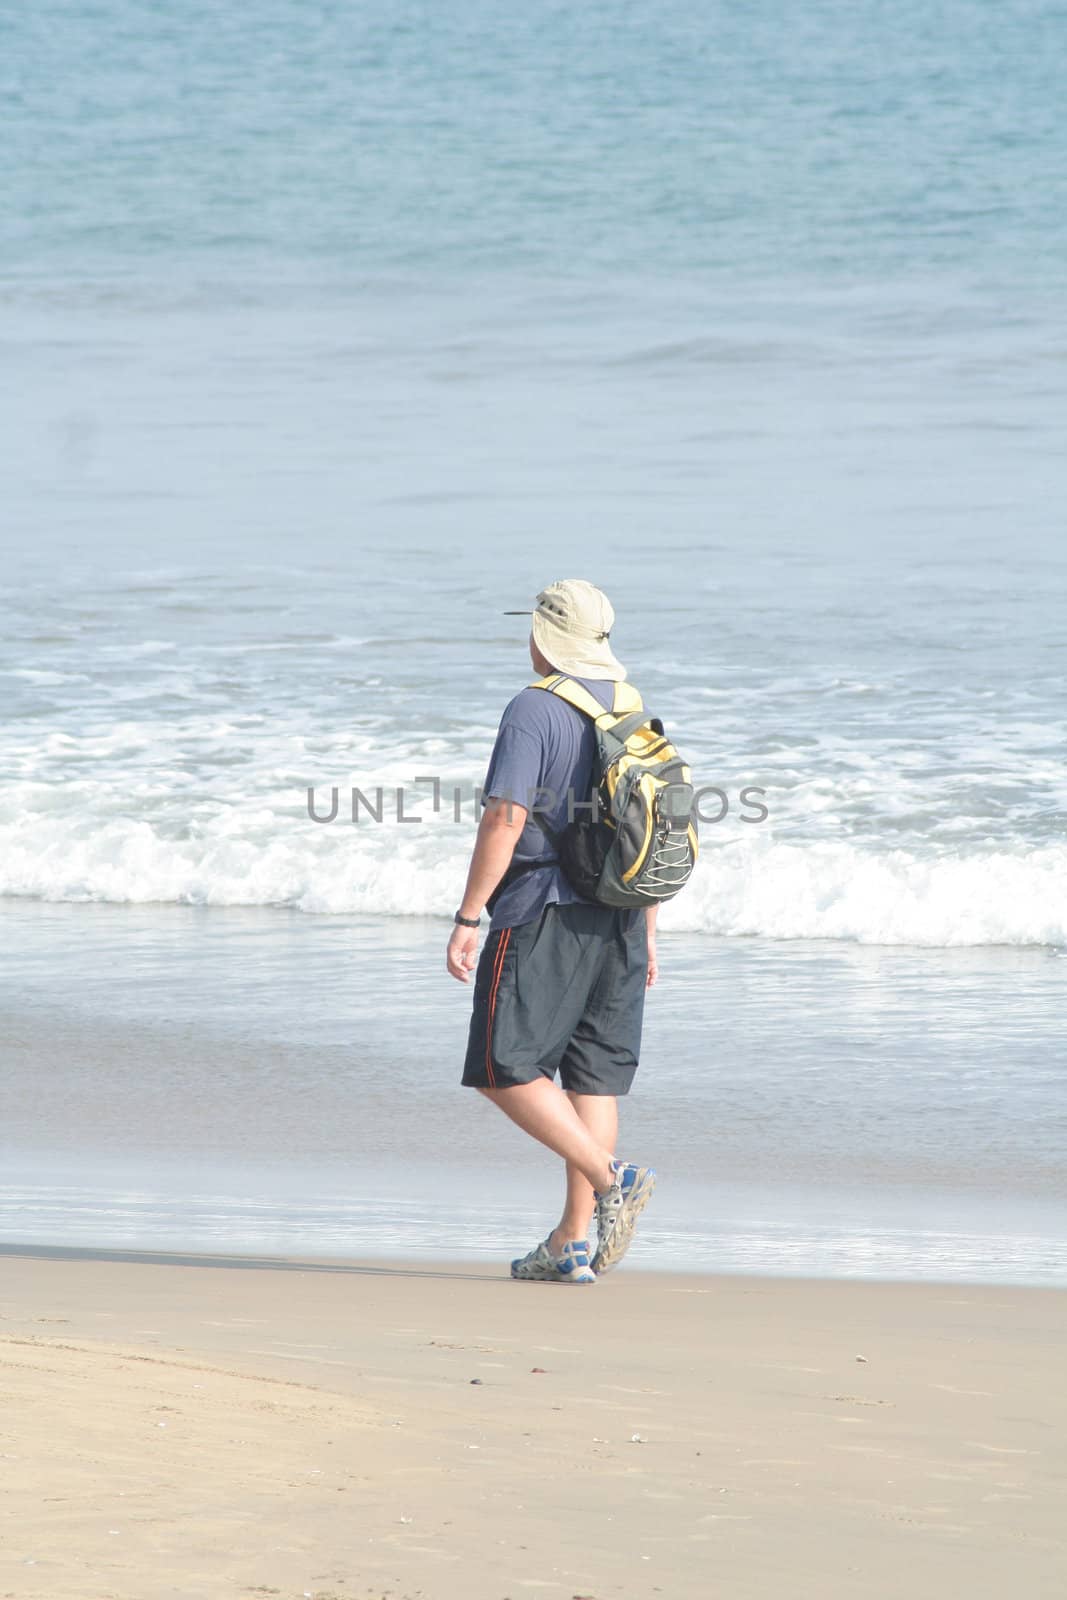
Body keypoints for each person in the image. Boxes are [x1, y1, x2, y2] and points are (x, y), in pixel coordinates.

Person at [446, 579, 658, 1284]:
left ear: (545, 638)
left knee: (501, 1066)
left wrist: (469, 914)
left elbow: (504, 819)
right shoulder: (634, 710)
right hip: (622, 915)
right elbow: (649, 832)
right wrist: (648, 930)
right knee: (590, 1079)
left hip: (542, 909)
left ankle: (609, 1178)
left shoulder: (533, 710)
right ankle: (571, 1243)